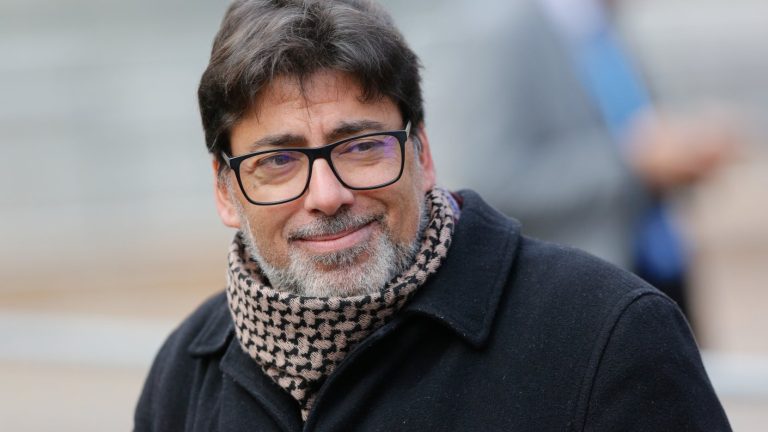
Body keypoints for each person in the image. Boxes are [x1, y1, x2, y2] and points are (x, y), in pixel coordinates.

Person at [134, 1, 731, 430]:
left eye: (361, 147)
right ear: (224, 190)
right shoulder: (186, 370)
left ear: (422, 153)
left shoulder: (608, 335)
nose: (327, 194)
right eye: (279, 161)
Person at [417, 0, 738, 321]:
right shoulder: (499, 29)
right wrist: (632, 162)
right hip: (580, 303)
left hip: (654, 274)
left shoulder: (602, 27)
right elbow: (489, 180)